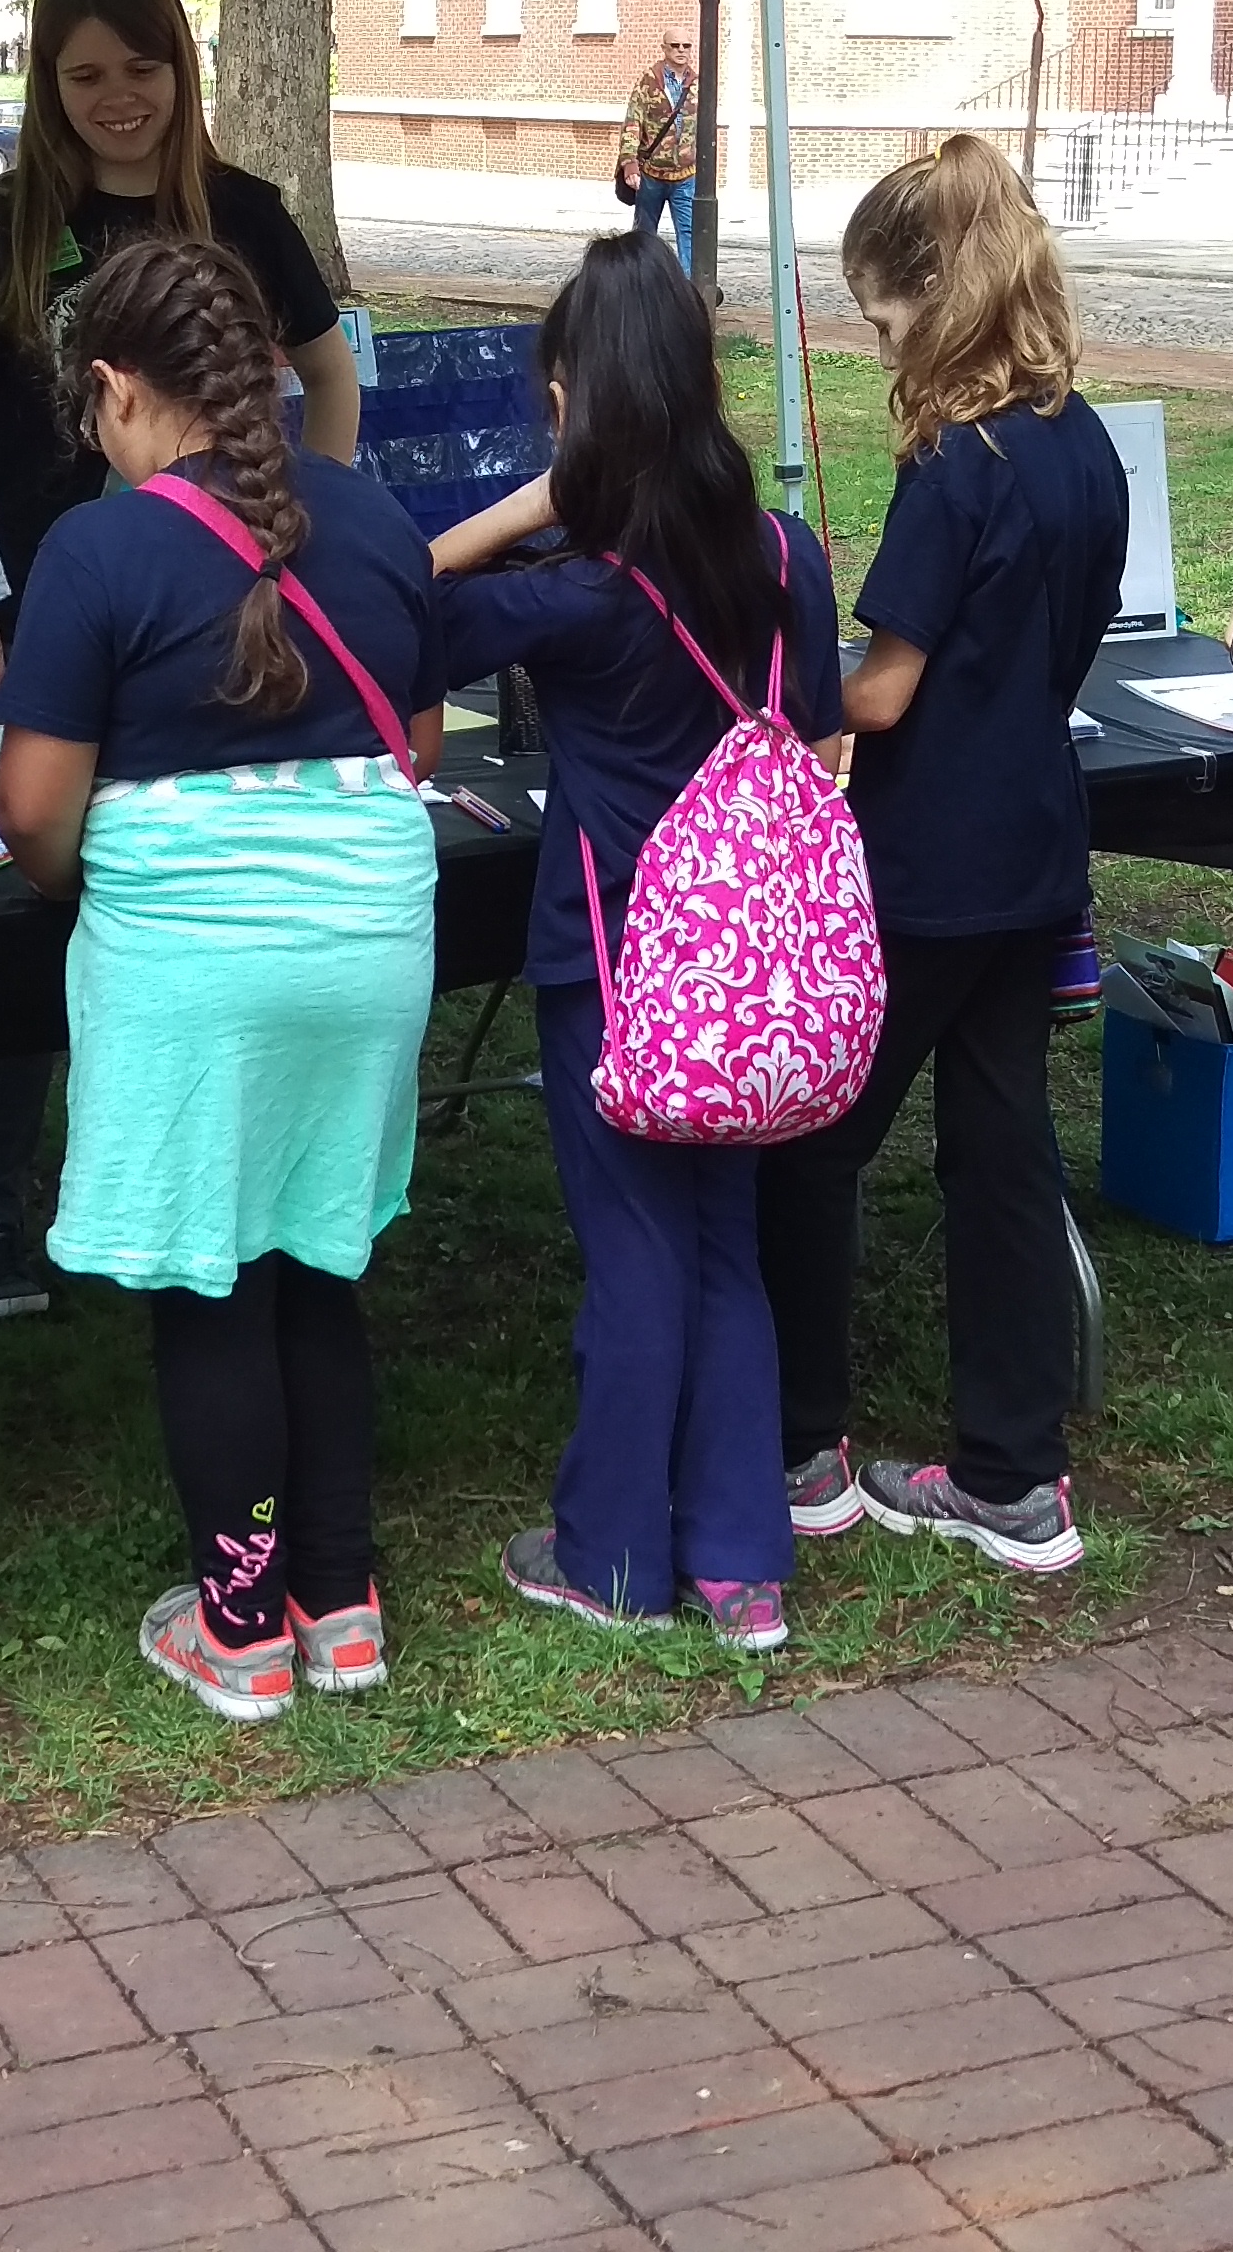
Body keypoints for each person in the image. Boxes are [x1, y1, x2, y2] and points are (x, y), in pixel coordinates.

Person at [0, 239, 448, 1723]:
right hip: (371, 941)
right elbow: (418, 747)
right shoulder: (375, 522)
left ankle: (241, 1629)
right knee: (319, 1260)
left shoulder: (98, 552)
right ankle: (345, 1603)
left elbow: (29, 813)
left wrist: (87, 884)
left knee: (213, 1282)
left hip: (193, 961)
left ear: (117, 390)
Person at [0, 0, 363, 1327]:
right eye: (86, 74)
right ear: (46, 82)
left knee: (191, 895)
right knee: (18, 889)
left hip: (224, 623)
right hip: (38, 616)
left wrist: (310, 531)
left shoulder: (244, 213)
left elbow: (328, 379)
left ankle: (206, 1187)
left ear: (184, 68)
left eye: (144, 69)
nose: (120, 100)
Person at [432, 238, 843, 1653]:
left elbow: (398, 606)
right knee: (722, 1242)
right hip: (759, 967)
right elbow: (825, 704)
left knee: (634, 1256)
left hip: (613, 959)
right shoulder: (789, 555)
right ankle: (741, 1565)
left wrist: (534, 501)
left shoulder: (580, 589)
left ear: (571, 399)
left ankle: (611, 1554)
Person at [758, 139, 1127, 1579]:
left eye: (883, 317)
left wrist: (777, 693)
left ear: (937, 294)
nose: (878, 345)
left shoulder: (955, 465)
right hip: (1038, 835)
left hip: (928, 859)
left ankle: (800, 1438)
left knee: (816, 1141)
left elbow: (882, 691)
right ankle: (1012, 1470)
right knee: (1001, 1152)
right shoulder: (1083, 441)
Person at [615, 32, 701, 264]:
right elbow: (633, 122)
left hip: (685, 176)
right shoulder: (649, 82)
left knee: (690, 234)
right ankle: (641, 284)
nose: (681, 49)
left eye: (686, 45)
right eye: (675, 45)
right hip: (652, 174)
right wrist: (629, 163)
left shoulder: (696, 83)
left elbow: (704, 126)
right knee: (644, 236)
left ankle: (686, 290)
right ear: (664, 48)